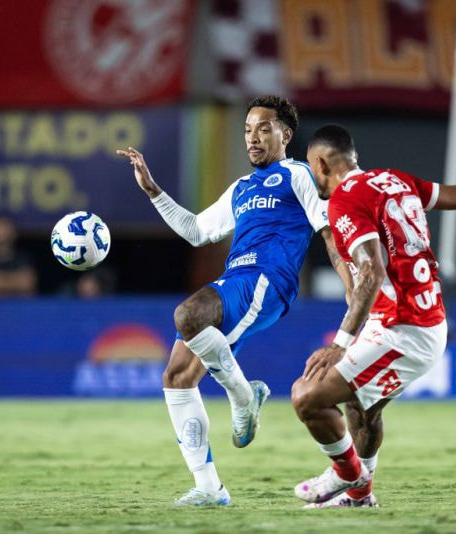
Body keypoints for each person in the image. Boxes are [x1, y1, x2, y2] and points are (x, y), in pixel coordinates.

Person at [291, 125, 456, 508]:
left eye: (313, 168)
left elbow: (372, 271)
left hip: (403, 328)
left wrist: (340, 343)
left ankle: (348, 473)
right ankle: (360, 498)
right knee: (362, 407)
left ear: (321, 163)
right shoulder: (394, 180)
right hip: (416, 319)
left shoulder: (345, 198)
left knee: (307, 396)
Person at [116, 96, 351, 506]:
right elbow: (195, 230)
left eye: (264, 128)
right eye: (247, 130)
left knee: (188, 313)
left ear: (285, 135)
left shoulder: (298, 174)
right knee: (177, 377)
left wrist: (351, 283)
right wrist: (153, 190)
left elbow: (327, 230)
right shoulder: (240, 188)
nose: (253, 138)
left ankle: (243, 396)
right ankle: (210, 487)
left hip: (267, 281)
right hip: (234, 281)